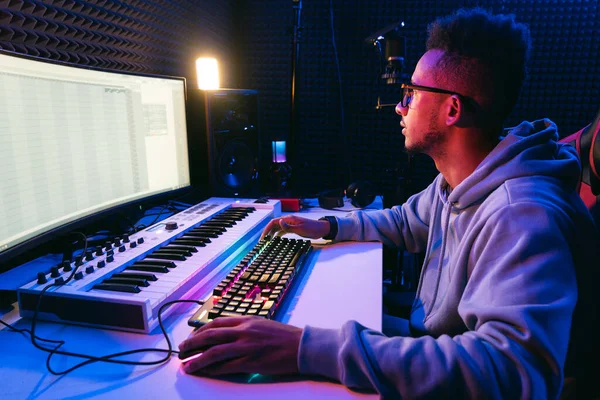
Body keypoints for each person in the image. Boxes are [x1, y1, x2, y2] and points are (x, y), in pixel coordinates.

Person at [178, 7, 598, 399]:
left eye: (411, 94)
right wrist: (330, 227)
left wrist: (306, 349)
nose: (400, 106)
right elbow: (404, 221)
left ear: (452, 109)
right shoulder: (460, 179)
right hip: (434, 342)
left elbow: (514, 372)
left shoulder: (520, 214)